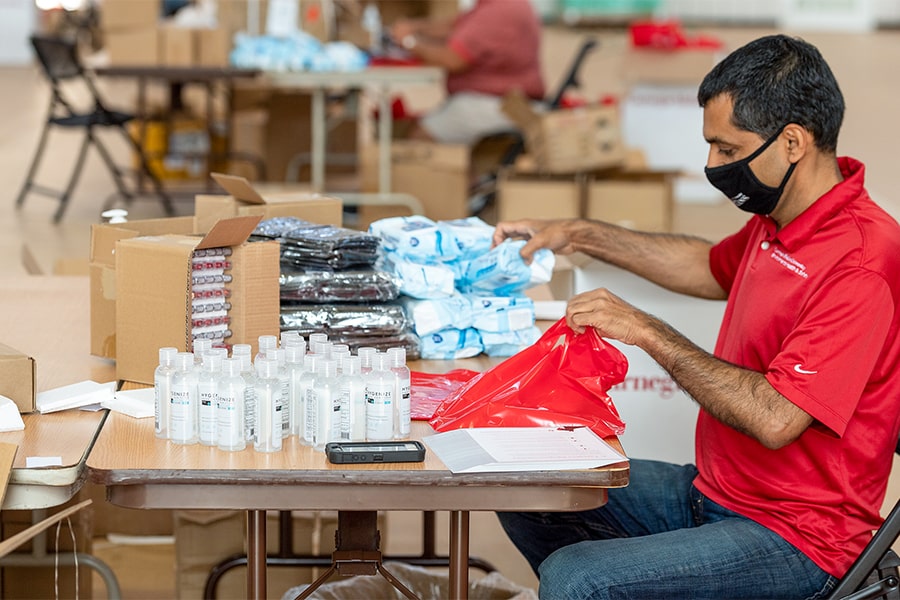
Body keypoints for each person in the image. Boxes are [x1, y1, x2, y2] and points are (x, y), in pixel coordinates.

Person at [492, 34, 900, 599]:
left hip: (798, 537)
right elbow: (708, 267)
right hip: (716, 493)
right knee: (528, 486)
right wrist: (579, 233)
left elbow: (777, 417)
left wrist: (647, 331)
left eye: (728, 150)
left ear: (793, 142)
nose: (712, 164)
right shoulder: (782, 215)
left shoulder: (861, 261)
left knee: (577, 578)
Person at [387, 0, 545, 145]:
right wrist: (414, 27)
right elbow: (454, 26)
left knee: (420, 137)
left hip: (504, 104)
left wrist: (409, 42)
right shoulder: (496, 6)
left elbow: (452, 59)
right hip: (498, 100)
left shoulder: (498, 11)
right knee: (430, 119)